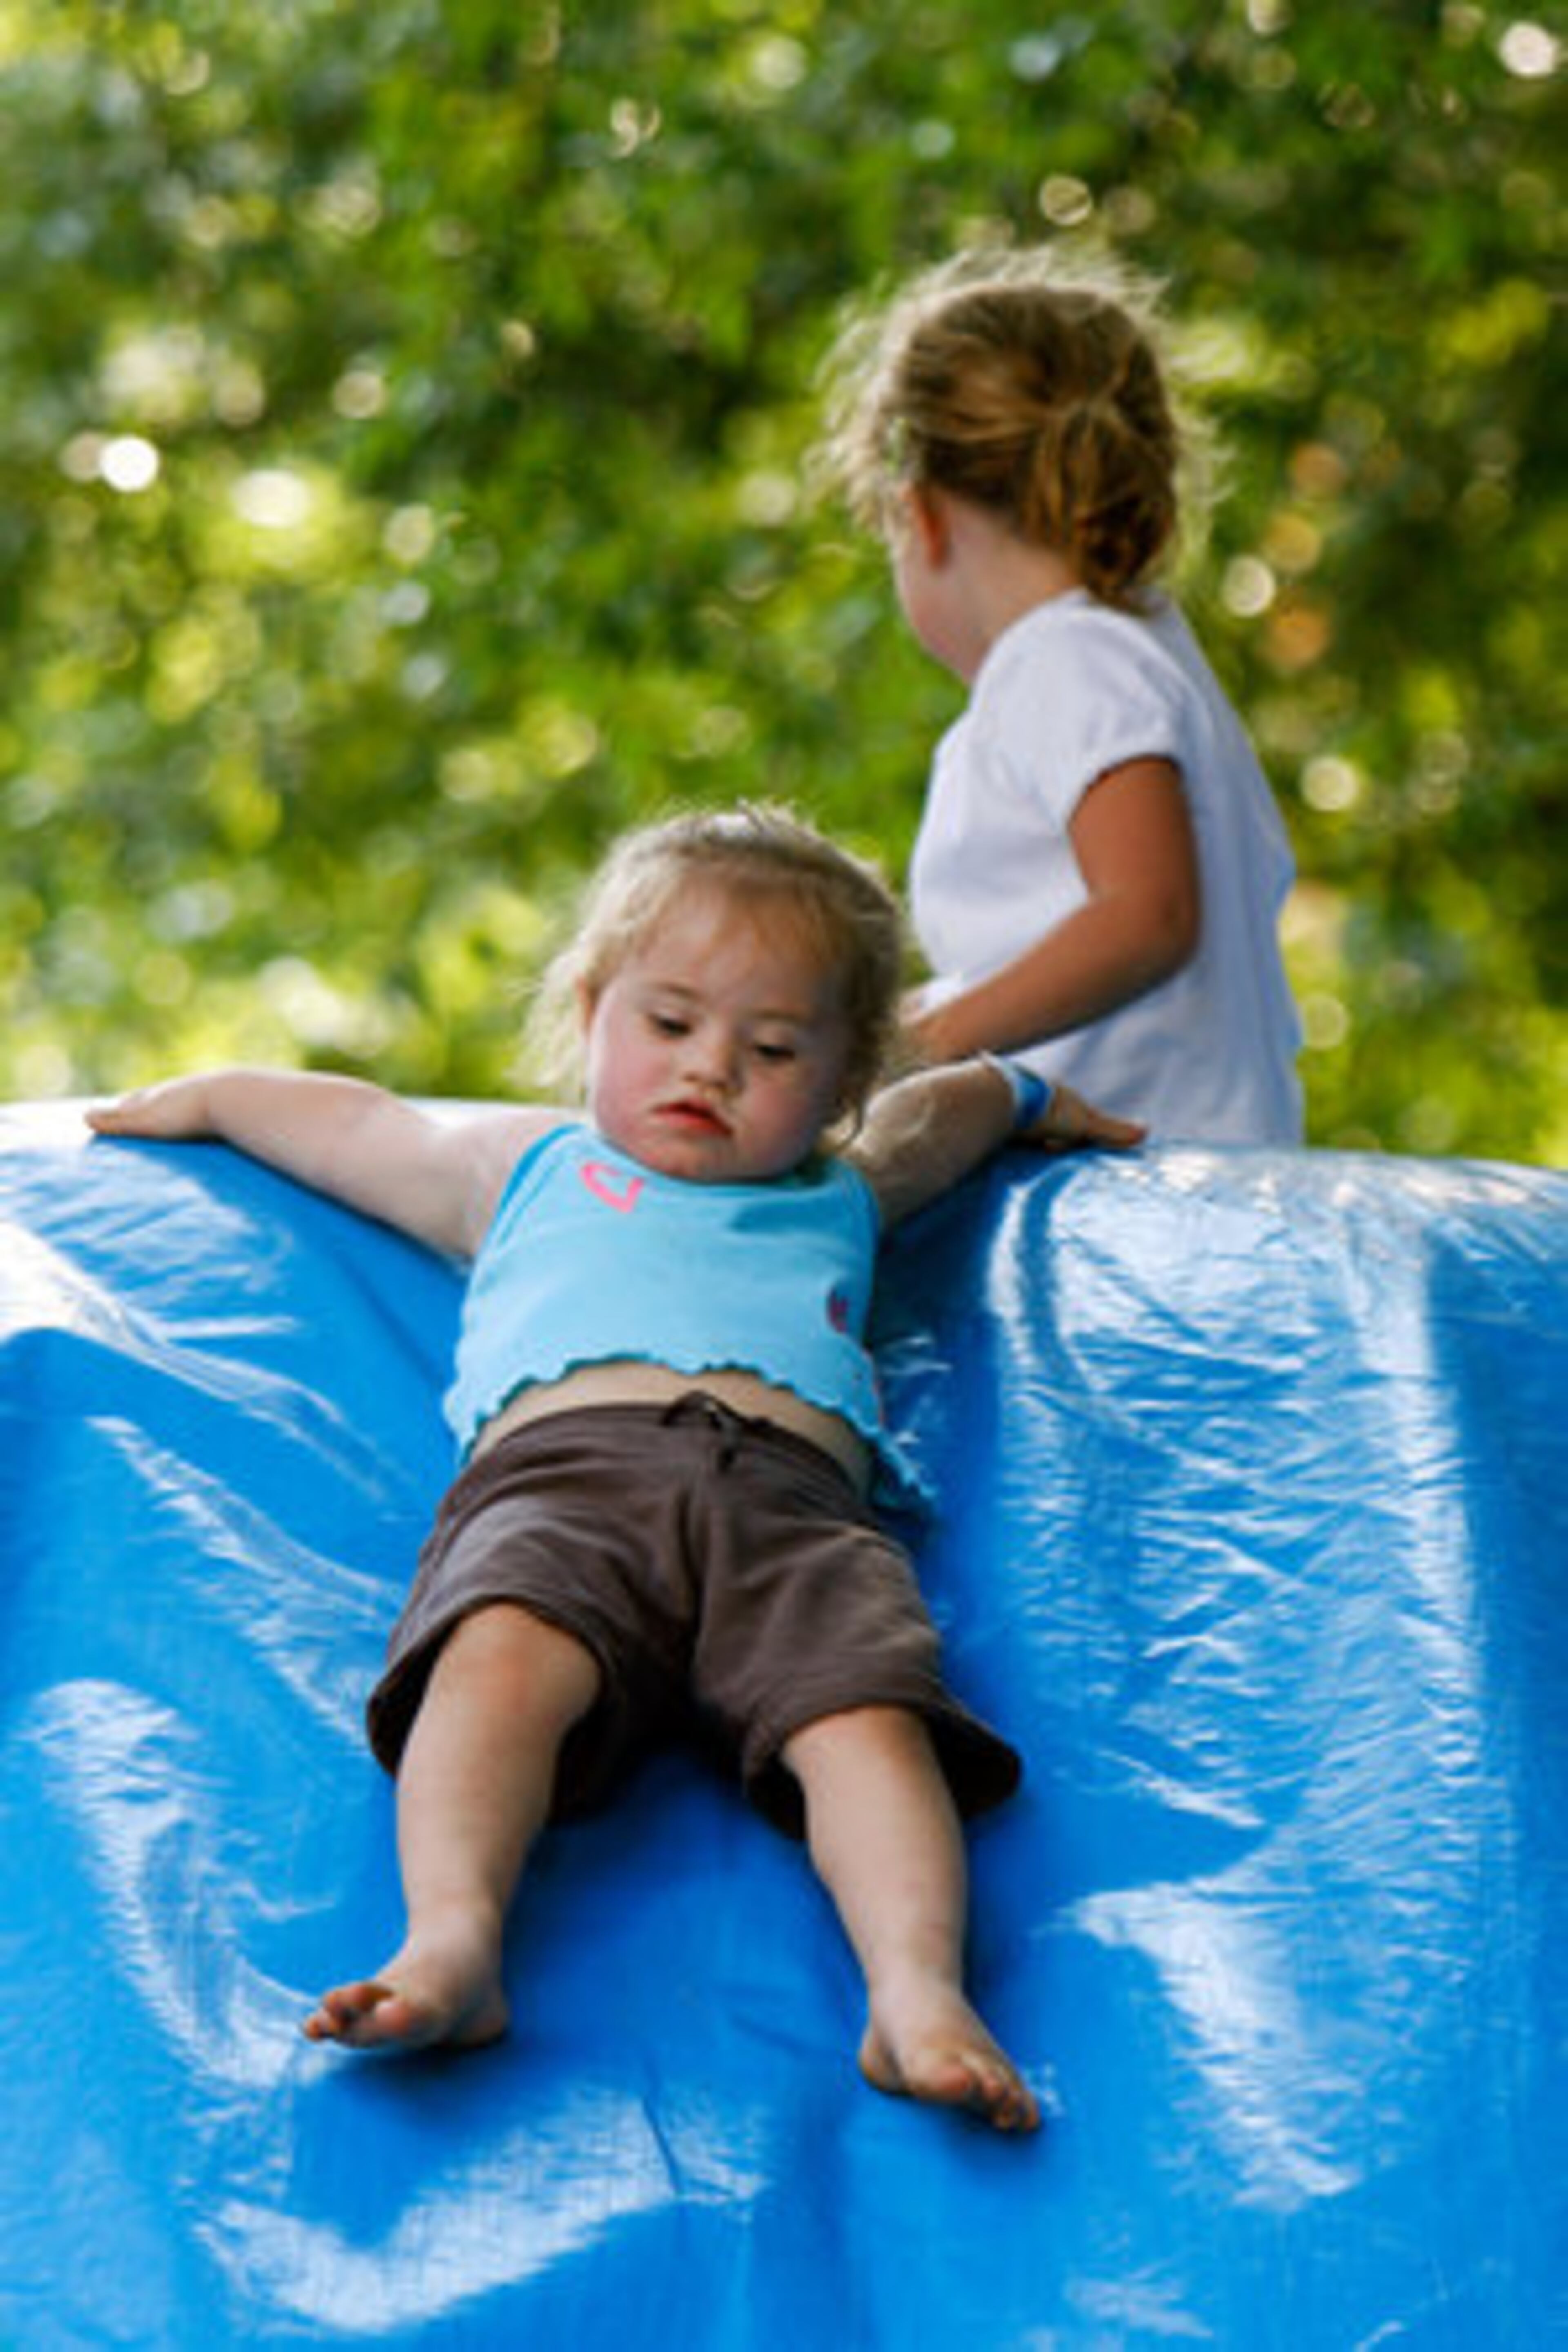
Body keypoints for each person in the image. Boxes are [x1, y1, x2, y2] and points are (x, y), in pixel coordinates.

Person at [87, 804, 1142, 2136]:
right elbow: (355, 1127)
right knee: (497, 1658)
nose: (712, 1068)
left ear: (839, 1085)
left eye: (773, 1050)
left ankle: (916, 1993)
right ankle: (455, 1942)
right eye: (670, 1024)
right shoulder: (528, 1171)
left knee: (869, 1718)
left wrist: (1035, 1098)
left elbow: (956, 1106)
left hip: (794, 1510)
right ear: (592, 1012)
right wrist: (208, 1098)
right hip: (566, 1484)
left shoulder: (840, 1192)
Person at [818, 244, 1305, 1144]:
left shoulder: (1066, 659)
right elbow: (1049, 954)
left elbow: (1147, 915)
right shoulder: (1134, 648)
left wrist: (921, 1048)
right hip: (1192, 1183)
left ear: (920, 516)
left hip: (1147, 1200)